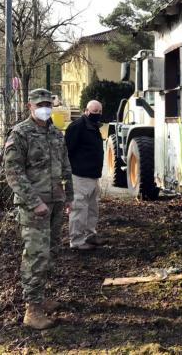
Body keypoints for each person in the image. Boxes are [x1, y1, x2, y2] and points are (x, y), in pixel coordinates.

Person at [4, 88, 74, 330]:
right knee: (36, 256)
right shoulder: (20, 134)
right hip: (34, 207)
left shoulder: (55, 132)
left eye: (48, 104)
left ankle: (41, 298)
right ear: (29, 106)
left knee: (51, 252)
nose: (45, 108)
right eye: (40, 104)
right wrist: (36, 203)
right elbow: (13, 174)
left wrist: (69, 197)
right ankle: (32, 310)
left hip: (55, 203)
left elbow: (65, 165)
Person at [64, 100, 109, 250]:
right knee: (79, 209)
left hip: (92, 176)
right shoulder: (77, 127)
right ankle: (76, 241)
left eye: (99, 111)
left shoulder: (93, 127)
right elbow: (67, 150)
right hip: (79, 176)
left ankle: (90, 235)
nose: (96, 114)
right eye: (93, 111)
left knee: (92, 209)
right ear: (86, 110)